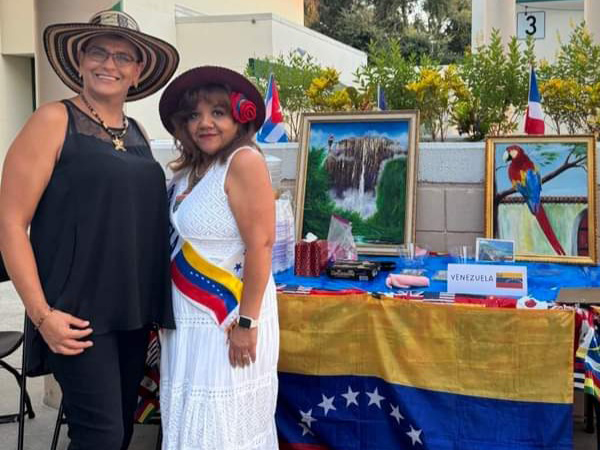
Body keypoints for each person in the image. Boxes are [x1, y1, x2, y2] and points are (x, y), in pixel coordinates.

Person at [0, 10, 179, 450]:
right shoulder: (52, 121)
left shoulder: (136, 131)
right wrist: (42, 316)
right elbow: (9, 222)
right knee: (101, 436)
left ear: (137, 71)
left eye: (123, 56)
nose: (109, 64)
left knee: (119, 431)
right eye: (98, 51)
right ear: (79, 60)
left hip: (132, 315)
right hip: (75, 316)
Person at [158, 66, 279, 449]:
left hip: (228, 320)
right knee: (191, 423)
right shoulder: (189, 171)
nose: (204, 123)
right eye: (194, 115)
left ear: (238, 117)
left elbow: (261, 245)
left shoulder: (243, 161)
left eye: (217, 113)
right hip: (189, 324)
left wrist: (246, 322)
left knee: (225, 428)